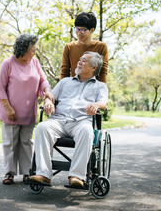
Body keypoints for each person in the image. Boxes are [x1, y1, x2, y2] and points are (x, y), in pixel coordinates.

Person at [29, 52, 108, 187]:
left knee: (86, 131)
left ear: (94, 67)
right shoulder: (64, 82)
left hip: (80, 122)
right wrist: (48, 101)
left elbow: (103, 104)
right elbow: (50, 96)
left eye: (83, 61)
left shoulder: (100, 86)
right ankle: (43, 174)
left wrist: (95, 105)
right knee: (42, 127)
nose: (79, 62)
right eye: (80, 59)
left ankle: (77, 176)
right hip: (59, 120)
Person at [0, 34, 54, 185]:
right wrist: (8, 107)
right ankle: (9, 173)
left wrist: (47, 90)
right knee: (10, 143)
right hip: (11, 111)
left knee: (26, 142)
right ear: (23, 49)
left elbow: (42, 79)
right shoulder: (8, 63)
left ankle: (27, 172)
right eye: (32, 50)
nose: (34, 53)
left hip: (28, 110)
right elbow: (0, 87)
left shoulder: (34, 62)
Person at [61, 11, 108, 83]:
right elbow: (65, 72)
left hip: (93, 88)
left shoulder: (101, 47)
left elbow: (103, 73)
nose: (79, 33)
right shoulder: (69, 47)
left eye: (83, 30)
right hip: (73, 88)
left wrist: (103, 91)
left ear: (92, 30)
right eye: (77, 29)